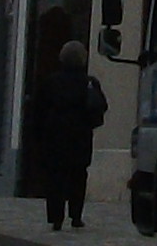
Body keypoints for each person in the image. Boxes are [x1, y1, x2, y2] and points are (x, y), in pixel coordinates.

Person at [20, 39, 106, 230]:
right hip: (80, 136)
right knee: (78, 175)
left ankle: (56, 217)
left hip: (55, 135)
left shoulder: (51, 82)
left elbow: (38, 110)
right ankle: (76, 216)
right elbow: (100, 107)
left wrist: (37, 136)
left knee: (55, 177)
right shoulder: (89, 82)